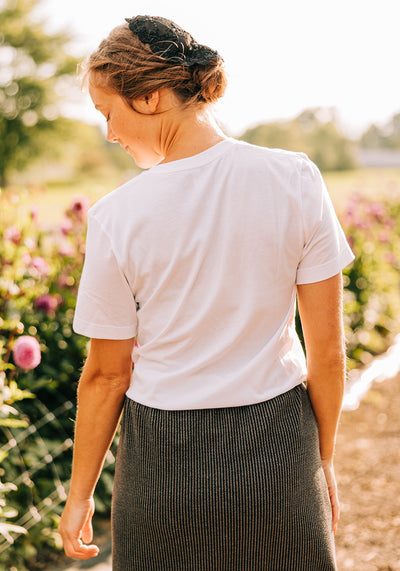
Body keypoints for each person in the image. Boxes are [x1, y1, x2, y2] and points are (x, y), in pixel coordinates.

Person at [59, 15, 355, 570]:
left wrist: (79, 496)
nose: (109, 133)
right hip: (279, 451)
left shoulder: (116, 217)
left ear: (148, 97)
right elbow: (327, 355)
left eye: (108, 113)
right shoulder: (295, 178)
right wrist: (322, 460)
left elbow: (106, 375)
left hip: (162, 469)